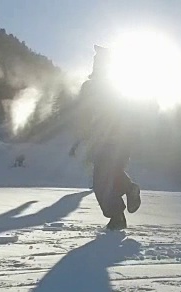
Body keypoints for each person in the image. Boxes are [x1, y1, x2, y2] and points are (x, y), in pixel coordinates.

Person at [75, 45, 141, 230]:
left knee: (102, 182)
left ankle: (119, 212)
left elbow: (86, 113)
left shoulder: (99, 87)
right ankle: (124, 202)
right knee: (110, 176)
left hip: (110, 141)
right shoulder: (110, 86)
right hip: (115, 141)